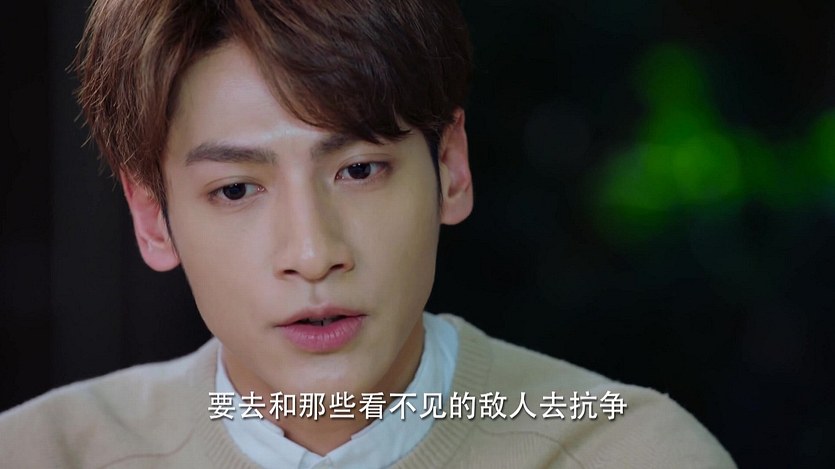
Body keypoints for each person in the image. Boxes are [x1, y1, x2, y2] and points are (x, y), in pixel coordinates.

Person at [0, 0, 736, 467]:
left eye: (359, 170)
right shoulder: (43, 454)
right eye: (236, 189)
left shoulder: (629, 452)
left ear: (450, 168)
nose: (313, 253)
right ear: (152, 217)